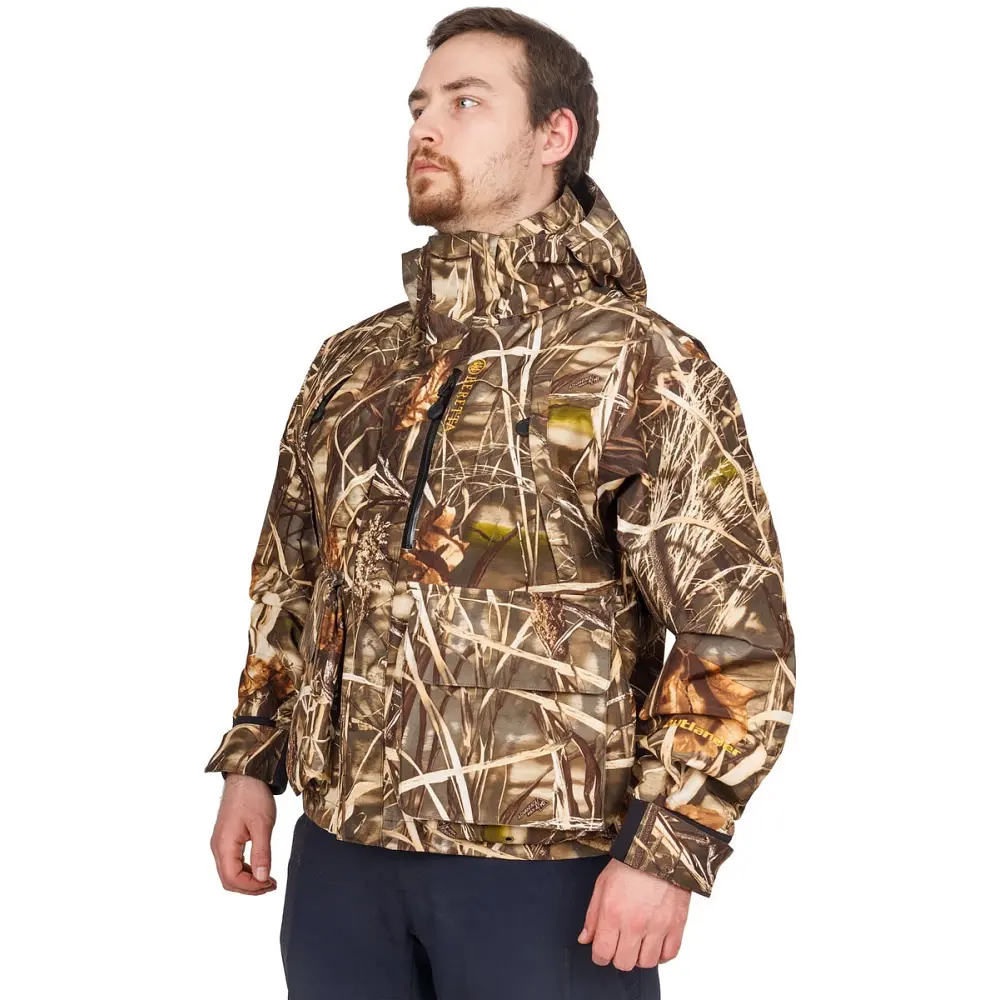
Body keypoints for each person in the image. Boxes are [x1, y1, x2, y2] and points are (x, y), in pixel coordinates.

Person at [205, 7, 796, 998]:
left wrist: (671, 845)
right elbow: (290, 576)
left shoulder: (639, 364)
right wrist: (252, 762)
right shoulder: (353, 363)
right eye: (418, 106)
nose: (426, 127)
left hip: (546, 875)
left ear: (553, 135)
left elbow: (734, 635)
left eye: (467, 102)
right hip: (342, 862)